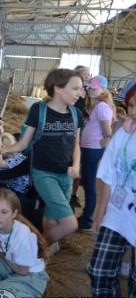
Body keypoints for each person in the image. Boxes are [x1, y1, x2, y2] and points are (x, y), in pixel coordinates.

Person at [0, 68, 84, 250]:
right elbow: (24, 143)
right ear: (57, 88)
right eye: (75, 88)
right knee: (70, 224)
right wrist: (4, 148)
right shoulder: (38, 111)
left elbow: (76, 145)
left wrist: (76, 165)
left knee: (51, 218)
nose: (80, 94)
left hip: (65, 175)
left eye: (80, 89)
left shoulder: (76, 115)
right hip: (43, 174)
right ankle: (38, 249)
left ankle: (42, 255)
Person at [87, 81, 136, 298]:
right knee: (99, 268)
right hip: (118, 212)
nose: (134, 113)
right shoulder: (125, 134)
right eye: (131, 106)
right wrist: (98, 213)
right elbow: (109, 175)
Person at [78, 75, 115, 230]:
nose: (91, 90)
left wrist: (102, 144)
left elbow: (108, 133)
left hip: (92, 150)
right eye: (90, 87)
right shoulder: (96, 105)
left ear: (103, 89)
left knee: (89, 184)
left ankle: (87, 220)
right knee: (87, 182)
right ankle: (86, 216)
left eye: (94, 88)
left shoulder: (101, 106)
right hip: (89, 148)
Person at [71, 65, 92, 208]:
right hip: (72, 128)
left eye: (89, 75)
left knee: (80, 162)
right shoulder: (74, 91)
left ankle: (74, 194)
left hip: (85, 132)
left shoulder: (91, 92)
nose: (88, 78)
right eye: (85, 75)